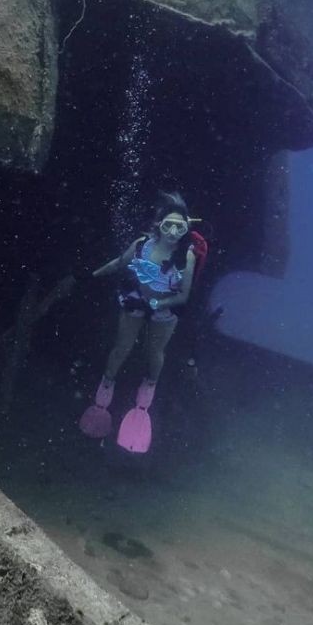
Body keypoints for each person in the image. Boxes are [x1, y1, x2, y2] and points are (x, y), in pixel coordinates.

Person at [79, 192, 197, 452]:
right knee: (123, 346)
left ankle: (146, 395)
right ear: (159, 225)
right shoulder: (143, 244)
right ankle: (106, 386)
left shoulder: (186, 256)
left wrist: (159, 304)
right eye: (169, 225)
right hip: (135, 298)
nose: (174, 232)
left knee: (154, 351)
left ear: (186, 228)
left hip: (164, 308)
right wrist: (92, 274)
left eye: (180, 227)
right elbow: (121, 263)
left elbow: (183, 295)